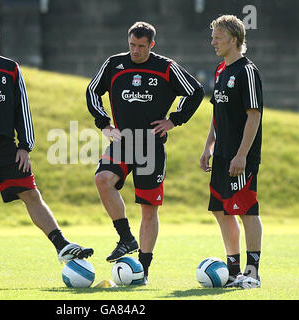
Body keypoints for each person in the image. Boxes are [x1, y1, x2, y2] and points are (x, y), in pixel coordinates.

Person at [0, 18, 93, 287]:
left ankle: (62, 246)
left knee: (31, 194)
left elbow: (22, 109)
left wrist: (24, 146)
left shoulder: (10, 69)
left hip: (6, 150)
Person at [86, 21, 204, 284]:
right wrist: (104, 124)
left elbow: (195, 91)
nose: (135, 51)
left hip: (151, 147)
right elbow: (93, 91)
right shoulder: (114, 64)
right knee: (102, 179)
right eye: (132, 45)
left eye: (141, 46)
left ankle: (144, 270)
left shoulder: (166, 67)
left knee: (149, 209)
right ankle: (127, 238)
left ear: (152, 44)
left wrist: (174, 120)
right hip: (123, 141)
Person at [200, 15, 263, 288]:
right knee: (221, 211)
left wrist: (242, 155)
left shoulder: (247, 72)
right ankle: (233, 269)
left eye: (218, 37)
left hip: (241, 156)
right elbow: (217, 113)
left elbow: (254, 115)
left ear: (234, 40)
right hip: (222, 155)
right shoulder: (219, 70)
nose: (213, 41)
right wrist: (208, 148)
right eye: (213, 36)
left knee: (246, 210)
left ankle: (253, 271)